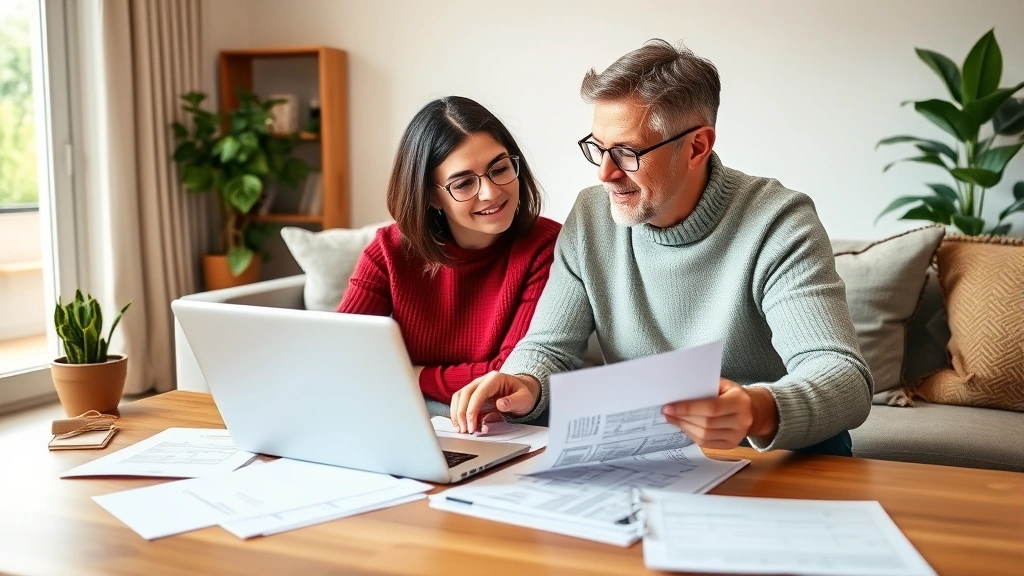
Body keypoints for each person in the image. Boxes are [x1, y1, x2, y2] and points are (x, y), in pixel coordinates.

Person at [449, 40, 873, 456]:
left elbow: (844, 377)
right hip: (651, 458)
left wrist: (758, 410)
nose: (605, 173)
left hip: (775, 460)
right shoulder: (592, 217)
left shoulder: (778, 221)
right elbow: (548, 347)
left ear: (697, 147)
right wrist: (525, 383)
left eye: (627, 152)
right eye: (597, 148)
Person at [338, 96, 561, 418]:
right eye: (464, 183)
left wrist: (412, 374)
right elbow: (340, 351)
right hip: (405, 413)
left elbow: (508, 378)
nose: (491, 192)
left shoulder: (547, 246)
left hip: (496, 422)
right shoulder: (389, 249)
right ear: (431, 196)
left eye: (499, 169)